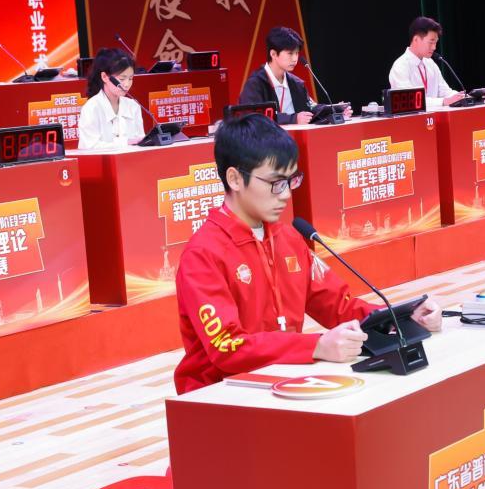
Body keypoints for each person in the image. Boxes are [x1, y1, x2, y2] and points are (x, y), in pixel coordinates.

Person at [174, 113, 443, 393]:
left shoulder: (288, 238)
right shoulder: (203, 254)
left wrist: (402, 319)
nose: (286, 194)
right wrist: (316, 346)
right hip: (218, 396)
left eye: (291, 180)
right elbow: (227, 347)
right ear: (234, 179)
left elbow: (339, 307)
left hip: (283, 383)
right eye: (276, 183)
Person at [239, 26, 314, 124]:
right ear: (273, 54)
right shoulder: (255, 84)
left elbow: (310, 108)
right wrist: (293, 119)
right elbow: (253, 118)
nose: (295, 59)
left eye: (296, 53)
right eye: (290, 53)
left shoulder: (297, 84)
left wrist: (331, 109)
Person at [77, 47, 146, 149]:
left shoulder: (133, 106)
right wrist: (126, 142)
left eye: (130, 78)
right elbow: (89, 147)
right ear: (104, 77)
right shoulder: (91, 108)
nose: (127, 84)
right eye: (122, 79)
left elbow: (141, 142)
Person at [388, 16, 464, 106]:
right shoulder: (400, 66)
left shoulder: (430, 63)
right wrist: (443, 101)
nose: (434, 47)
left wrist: (461, 97)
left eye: (435, 43)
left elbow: (445, 92)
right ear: (416, 39)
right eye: (431, 42)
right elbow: (410, 100)